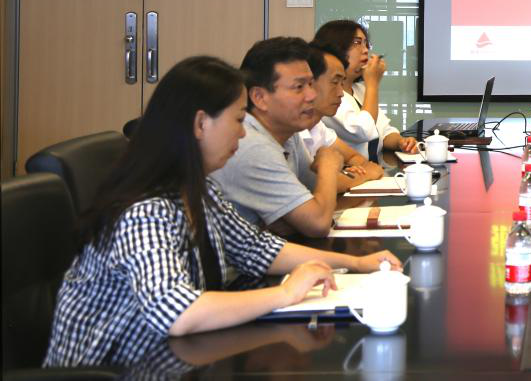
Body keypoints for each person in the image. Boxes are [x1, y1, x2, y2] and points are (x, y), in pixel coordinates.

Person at [43, 56, 401, 368]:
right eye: (238, 120)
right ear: (201, 124)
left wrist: (356, 264)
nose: (243, 134)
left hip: (171, 357)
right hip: (119, 368)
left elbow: (257, 248)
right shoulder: (145, 209)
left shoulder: (199, 189)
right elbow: (176, 313)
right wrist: (286, 294)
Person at [211, 38, 349, 237]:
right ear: (259, 98)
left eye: (311, 84)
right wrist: (328, 165)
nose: (312, 95)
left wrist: (297, 217)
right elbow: (318, 223)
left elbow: (312, 189)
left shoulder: (287, 133)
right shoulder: (251, 145)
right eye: (299, 87)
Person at [313, 20, 417, 160]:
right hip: (350, 169)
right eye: (357, 43)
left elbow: (384, 131)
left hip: (371, 167)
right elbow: (362, 131)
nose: (366, 50)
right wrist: (373, 83)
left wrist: (401, 142)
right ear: (336, 48)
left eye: (366, 43)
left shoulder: (361, 89)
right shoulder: (327, 96)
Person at [298, 42, 386, 191]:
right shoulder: (293, 131)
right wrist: (363, 175)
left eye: (341, 83)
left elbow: (354, 158)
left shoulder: (317, 126)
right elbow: (317, 184)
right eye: (334, 82)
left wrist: (350, 173)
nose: (340, 93)